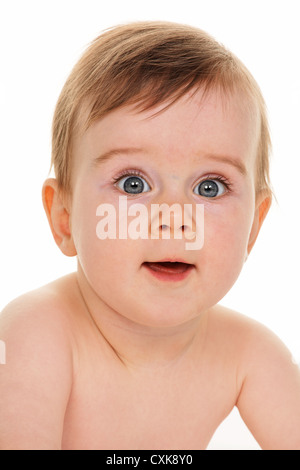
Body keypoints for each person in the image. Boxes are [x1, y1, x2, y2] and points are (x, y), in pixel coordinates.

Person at [1, 21, 300, 450]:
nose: (174, 217)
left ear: (254, 225)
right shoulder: (37, 334)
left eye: (209, 187)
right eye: (133, 184)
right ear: (64, 218)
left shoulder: (251, 354)